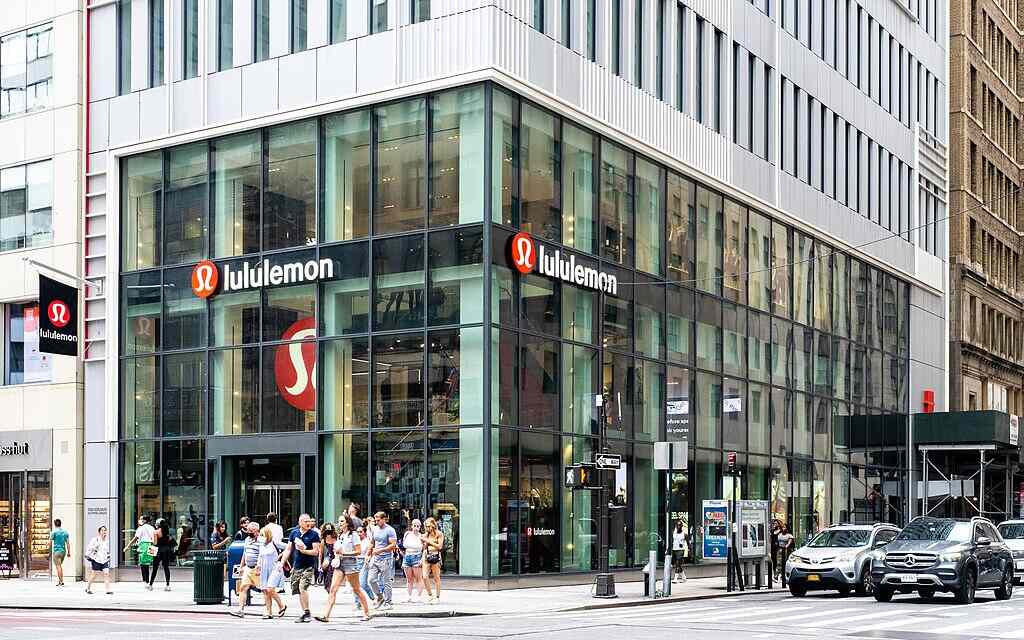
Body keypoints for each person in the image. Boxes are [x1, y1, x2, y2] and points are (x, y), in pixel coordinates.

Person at [316, 517, 371, 623]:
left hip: (350, 564)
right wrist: (335, 556)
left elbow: (358, 551)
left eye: (342, 521)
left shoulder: (353, 535)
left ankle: (367, 613)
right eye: (339, 521)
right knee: (333, 589)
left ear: (347, 523)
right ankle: (325, 615)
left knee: (356, 589)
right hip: (340, 564)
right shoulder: (340, 535)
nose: (339, 523)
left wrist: (344, 553)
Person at [280, 513, 321, 623]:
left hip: (309, 566)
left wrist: (304, 551)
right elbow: (288, 549)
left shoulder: (313, 535)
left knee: (303, 587)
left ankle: (307, 612)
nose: (308, 523)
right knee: (298, 589)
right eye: (305, 521)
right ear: (300, 523)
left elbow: (315, 552)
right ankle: (304, 612)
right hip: (297, 566)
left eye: (309, 521)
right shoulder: (294, 533)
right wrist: (282, 562)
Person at [366, 511, 397, 611]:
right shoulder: (374, 529)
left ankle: (388, 602)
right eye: (375, 520)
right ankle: (380, 597)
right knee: (371, 579)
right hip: (375, 558)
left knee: (386, 581)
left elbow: (393, 545)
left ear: (384, 519)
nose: (377, 522)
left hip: (386, 558)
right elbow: (372, 542)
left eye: (378, 520)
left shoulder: (390, 530)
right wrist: (368, 554)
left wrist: (381, 550)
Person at [230, 522, 262, 618]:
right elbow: (245, 553)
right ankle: (241, 609)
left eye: (251, 531)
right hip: (248, 568)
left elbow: (261, 554)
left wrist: (259, 566)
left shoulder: (261, 541)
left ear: (257, 531)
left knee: (266, 590)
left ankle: (279, 606)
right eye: (248, 531)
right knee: (243, 588)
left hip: (257, 568)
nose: (249, 532)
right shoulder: (247, 539)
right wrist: (241, 566)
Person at [257, 526, 287, 619]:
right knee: (265, 590)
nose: (260, 536)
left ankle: (281, 606)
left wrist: (281, 556)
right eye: (260, 534)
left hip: (274, 568)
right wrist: (258, 565)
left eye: (262, 534)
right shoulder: (261, 544)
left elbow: (288, 547)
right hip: (264, 569)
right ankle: (269, 612)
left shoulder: (274, 542)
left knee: (270, 589)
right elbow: (260, 556)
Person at [400, 519, 425, 604]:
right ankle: (409, 596)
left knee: (418, 578)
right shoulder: (407, 534)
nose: (416, 527)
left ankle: (418, 596)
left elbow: (424, 549)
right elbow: (403, 546)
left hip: (416, 556)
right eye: (414, 525)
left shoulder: (421, 536)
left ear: (420, 527)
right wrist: (403, 555)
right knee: (409, 579)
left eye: (418, 526)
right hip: (407, 556)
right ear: (412, 526)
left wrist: (422, 559)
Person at [421, 517, 444, 605]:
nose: (428, 528)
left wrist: (427, 541)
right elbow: (423, 548)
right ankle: (430, 595)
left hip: (435, 556)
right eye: (426, 526)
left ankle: (437, 597)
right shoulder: (425, 535)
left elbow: (439, 546)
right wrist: (424, 542)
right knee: (424, 576)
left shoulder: (439, 534)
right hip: (426, 555)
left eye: (429, 526)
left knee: (436, 577)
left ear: (433, 525)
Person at [148, 518, 176, 591]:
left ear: (158, 524)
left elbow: (155, 543)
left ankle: (151, 584)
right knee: (166, 568)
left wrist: (151, 539)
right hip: (166, 550)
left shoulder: (156, 532)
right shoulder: (167, 531)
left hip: (158, 550)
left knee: (155, 568)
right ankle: (167, 585)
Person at [85, 526, 112, 595]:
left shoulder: (107, 541)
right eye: (102, 530)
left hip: (105, 560)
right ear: (99, 532)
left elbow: (107, 551)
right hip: (96, 560)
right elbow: (89, 548)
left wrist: (108, 557)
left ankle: (108, 590)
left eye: (105, 530)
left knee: (106, 574)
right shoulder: (95, 539)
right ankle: (88, 588)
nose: (104, 532)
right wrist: (95, 546)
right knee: (94, 575)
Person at [352, 520, 373, 610]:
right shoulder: (355, 541)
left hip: (364, 561)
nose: (359, 533)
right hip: (355, 562)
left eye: (361, 532)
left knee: (363, 583)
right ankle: (357, 604)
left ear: (364, 532)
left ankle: (372, 597)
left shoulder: (367, 541)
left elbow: (369, 552)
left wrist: (367, 559)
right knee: (355, 584)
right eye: (358, 532)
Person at [50, 519, 70, 587]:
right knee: (60, 566)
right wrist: (69, 552)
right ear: (60, 524)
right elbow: (67, 543)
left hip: (56, 551)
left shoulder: (53, 532)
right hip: (63, 552)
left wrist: (49, 551)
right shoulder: (65, 532)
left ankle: (61, 582)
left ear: (54, 524)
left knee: (58, 567)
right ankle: (59, 581)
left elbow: (50, 541)